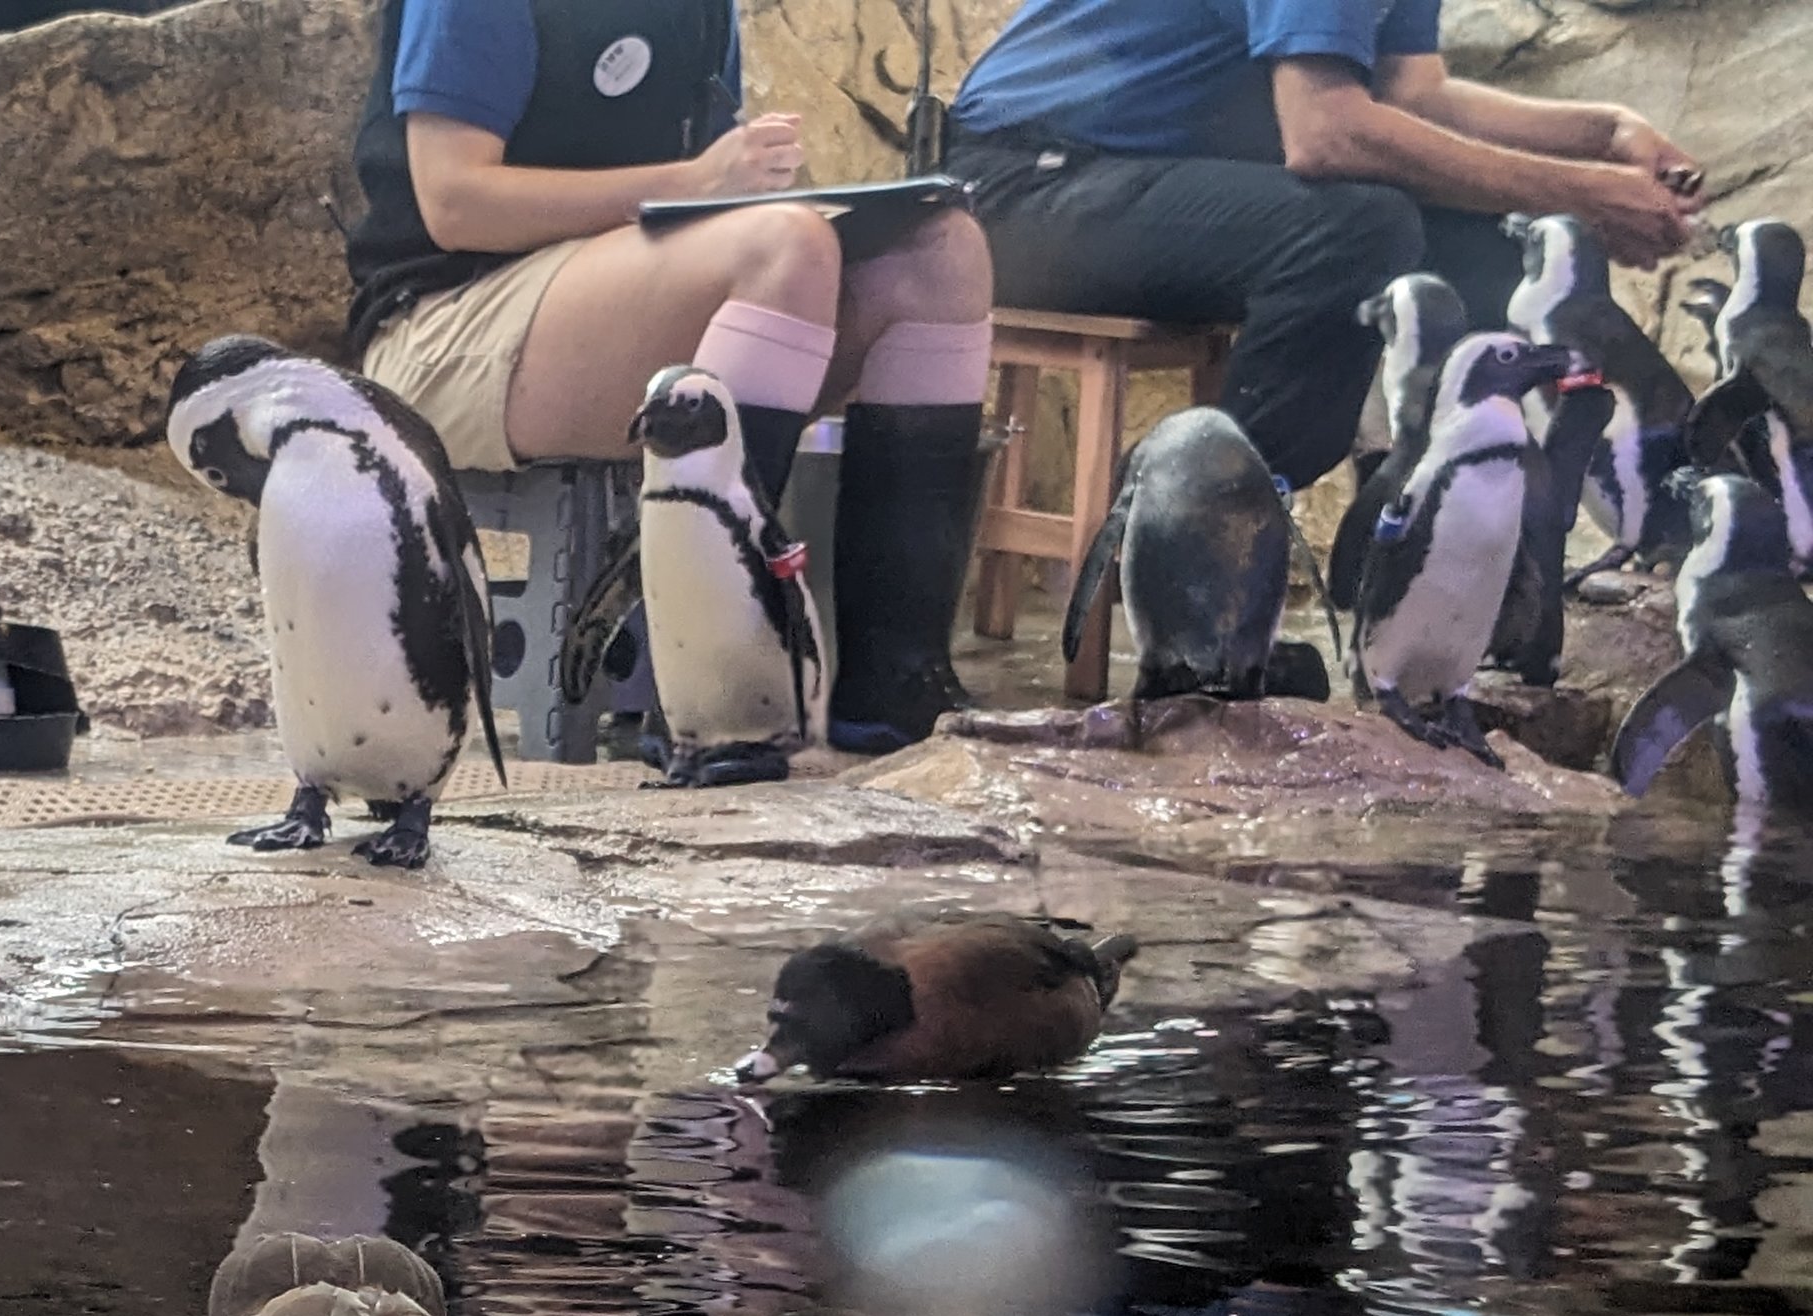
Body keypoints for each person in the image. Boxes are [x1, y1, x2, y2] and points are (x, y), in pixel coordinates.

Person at [343, 0, 997, 759]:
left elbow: (709, 209)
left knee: (940, 252)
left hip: (607, 300)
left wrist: (739, 184)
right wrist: (693, 181)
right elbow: (454, 205)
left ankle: (895, 685)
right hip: (446, 324)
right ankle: (717, 701)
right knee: (785, 248)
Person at [945, 0, 1703, 489]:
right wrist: (1579, 191)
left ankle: (1420, 531)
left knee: (1490, 247)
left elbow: (1413, 93)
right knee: (1358, 228)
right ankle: (1209, 530)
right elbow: (1327, 133)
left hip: (1124, 177)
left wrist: (1604, 134)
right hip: (1019, 192)